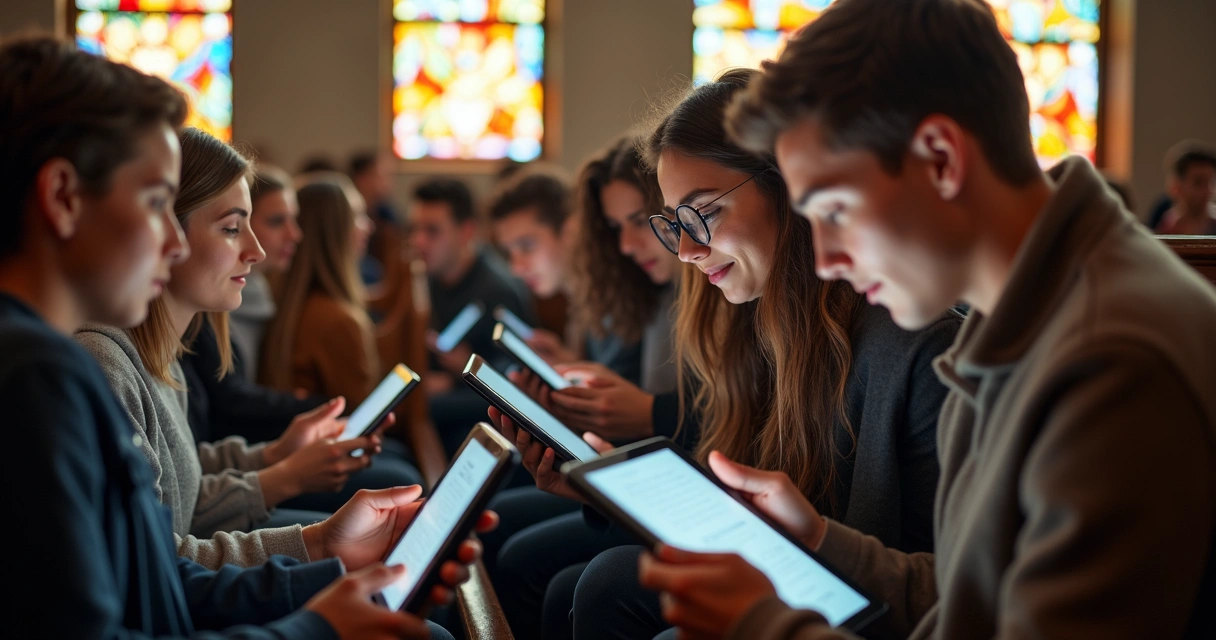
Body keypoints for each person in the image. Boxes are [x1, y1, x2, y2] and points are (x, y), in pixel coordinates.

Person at [641, 1, 1216, 638]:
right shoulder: (1026, 311)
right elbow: (972, 600)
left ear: (940, 158)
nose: (826, 261)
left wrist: (764, 626)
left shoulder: (1113, 358)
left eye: (834, 209)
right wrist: (820, 538)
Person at [0, 34, 484, 639]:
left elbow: (156, 573)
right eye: (155, 203)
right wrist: (315, 623)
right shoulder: (45, 371)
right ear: (63, 197)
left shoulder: (52, 362)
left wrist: (320, 550)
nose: (173, 243)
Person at [183, 164, 326, 445]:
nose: (294, 235)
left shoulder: (263, 291)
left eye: (294, 220)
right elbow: (230, 401)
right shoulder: (207, 304)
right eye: (276, 221)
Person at [408, 177, 536, 454]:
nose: (418, 241)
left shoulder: (498, 291)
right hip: (445, 395)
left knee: (414, 406)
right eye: (415, 229)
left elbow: (516, 382)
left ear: (466, 232)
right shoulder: (428, 279)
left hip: (489, 409)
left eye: (432, 231)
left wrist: (460, 373)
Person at [260, 172, 382, 405]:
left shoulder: (286, 300)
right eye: (357, 216)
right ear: (333, 231)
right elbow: (360, 413)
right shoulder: (337, 320)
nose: (369, 226)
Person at [1154, 140, 1216, 235]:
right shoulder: (1160, 225)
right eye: (1198, 182)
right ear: (1176, 186)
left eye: (1210, 182)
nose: (1208, 191)